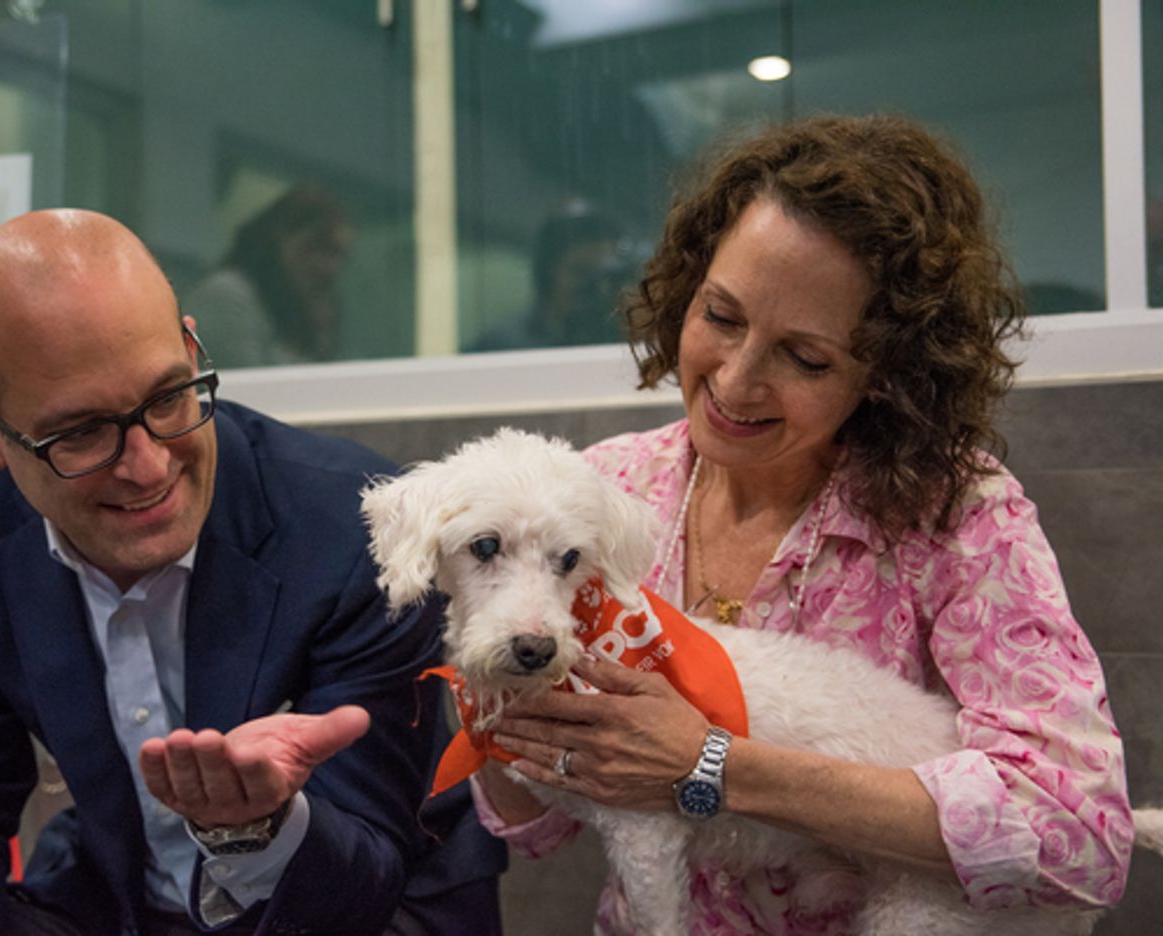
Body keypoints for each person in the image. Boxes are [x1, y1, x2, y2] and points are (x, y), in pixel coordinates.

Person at [470, 114, 1134, 933]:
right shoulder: (608, 488)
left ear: (888, 373)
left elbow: (1078, 837)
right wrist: (494, 696)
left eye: (806, 358)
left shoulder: (957, 514)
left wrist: (712, 766)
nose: (736, 381)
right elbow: (536, 826)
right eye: (720, 315)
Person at [0, 209, 505, 935]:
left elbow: (368, 863)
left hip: (371, 899)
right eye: (83, 433)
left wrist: (259, 826)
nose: (151, 466)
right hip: (122, 897)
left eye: (167, 398)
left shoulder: (358, 527)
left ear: (192, 351)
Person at [183, 185, 353, 368]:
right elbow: (244, 390)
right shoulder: (225, 296)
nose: (329, 267)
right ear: (277, 238)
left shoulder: (291, 316)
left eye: (338, 255)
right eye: (318, 247)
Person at [469, 200, 635, 352]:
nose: (597, 285)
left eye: (605, 274)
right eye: (582, 272)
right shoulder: (502, 346)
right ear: (548, 274)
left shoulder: (624, 344)